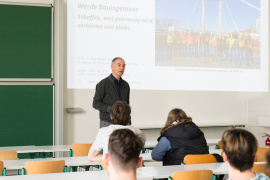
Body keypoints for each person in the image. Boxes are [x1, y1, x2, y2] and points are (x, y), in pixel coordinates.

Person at [93, 57, 130, 128]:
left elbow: (127, 105)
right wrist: (112, 109)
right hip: (107, 122)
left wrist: (128, 120)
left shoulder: (126, 85)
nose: (122, 68)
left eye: (123, 66)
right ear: (112, 67)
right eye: (119, 65)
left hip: (124, 123)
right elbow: (95, 103)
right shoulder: (103, 84)